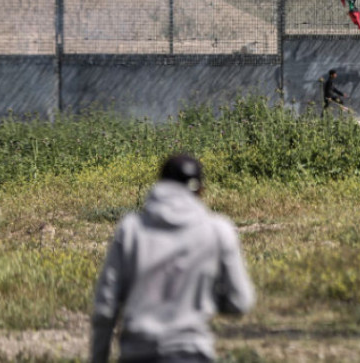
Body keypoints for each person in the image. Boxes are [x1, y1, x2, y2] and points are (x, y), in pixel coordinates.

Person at [91, 152, 254, 363]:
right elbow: (240, 301)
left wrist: (98, 358)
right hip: (191, 352)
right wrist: (206, 298)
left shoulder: (131, 229)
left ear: (160, 184)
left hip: (137, 353)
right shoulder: (218, 231)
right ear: (200, 190)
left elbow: (105, 307)